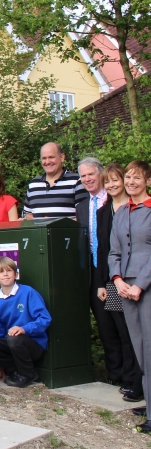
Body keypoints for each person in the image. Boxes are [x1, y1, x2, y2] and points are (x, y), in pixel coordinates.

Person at [108, 160, 151, 430]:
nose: (131, 182)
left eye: (137, 178)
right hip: (125, 287)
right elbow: (114, 252)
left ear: (147, 180)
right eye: (128, 178)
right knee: (139, 348)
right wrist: (118, 280)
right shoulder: (122, 211)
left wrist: (140, 284)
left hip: (145, 287)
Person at [94, 163, 142, 401]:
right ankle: (126, 377)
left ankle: (137, 380)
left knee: (135, 332)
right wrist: (103, 282)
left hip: (136, 278)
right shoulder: (103, 212)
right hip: (113, 280)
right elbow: (104, 249)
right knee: (121, 331)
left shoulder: (136, 208)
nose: (112, 185)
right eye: (108, 182)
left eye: (116, 180)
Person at [76, 157, 123, 388]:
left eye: (90, 175)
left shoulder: (113, 201)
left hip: (114, 271)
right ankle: (115, 374)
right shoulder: (82, 205)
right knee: (104, 324)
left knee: (120, 322)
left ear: (100, 174)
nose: (87, 179)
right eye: (83, 176)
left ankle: (131, 374)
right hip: (94, 273)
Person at [0, 256, 52, 388]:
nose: (5, 274)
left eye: (9, 271)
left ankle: (27, 374)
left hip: (32, 343)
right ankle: (14, 371)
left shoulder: (28, 292)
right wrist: (1, 365)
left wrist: (24, 329)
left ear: (16, 274)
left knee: (14, 339)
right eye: (1, 272)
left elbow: (44, 319)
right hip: (11, 345)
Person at [22, 142, 86, 219]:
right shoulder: (33, 184)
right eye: (44, 158)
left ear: (62, 157)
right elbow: (27, 215)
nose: (47, 162)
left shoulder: (77, 181)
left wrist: (53, 226)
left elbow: (84, 215)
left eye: (51, 157)